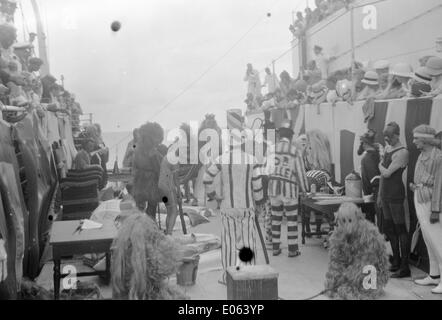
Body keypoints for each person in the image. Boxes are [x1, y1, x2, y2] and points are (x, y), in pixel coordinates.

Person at [202, 121, 266, 284]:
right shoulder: (252, 159)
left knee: (229, 243)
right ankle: (248, 274)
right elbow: (257, 184)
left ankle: (228, 277)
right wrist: (259, 203)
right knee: (248, 242)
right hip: (247, 207)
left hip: (227, 207)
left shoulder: (221, 159)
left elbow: (207, 178)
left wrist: (213, 196)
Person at [267, 120, 309, 257]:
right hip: (290, 190)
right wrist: (305, 190)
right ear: (290, 138)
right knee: (291, 220)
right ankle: (292, 250)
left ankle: (275, 248)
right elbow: (300, 172)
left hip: (273, 189)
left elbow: (266, 170)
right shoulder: (295, 151)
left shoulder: (271, 149)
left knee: (275, 219)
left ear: (279, 137)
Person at [411, 125, 442, 294]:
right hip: (420, 197)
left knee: (438, 240)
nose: (414, 141)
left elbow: (439, 186)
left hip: (431, 202)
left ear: (425, 139)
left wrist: (436, 209)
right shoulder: (422, 154)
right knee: (428, 239)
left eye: (416, 138)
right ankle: (434, 275)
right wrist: (415, 186)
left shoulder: (438, 157)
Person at [378, 122, 410, 278]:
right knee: (390, 228)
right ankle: (396, 261)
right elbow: (383, 179)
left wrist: (379, 165)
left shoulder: (402, 152)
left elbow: (387, 173)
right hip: (385, 194)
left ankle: (405, 267)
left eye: (389, 137)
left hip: (396, 193)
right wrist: (379, 195)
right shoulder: (388, 149)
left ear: (397, 135)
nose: (387, 140)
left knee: (400, 228)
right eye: (385, 138)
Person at [358, 129, 381, 225]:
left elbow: (374, 178)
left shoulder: (368, 158)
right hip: (375, 192)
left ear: (364, 143)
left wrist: (369, 193)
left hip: (373, 193)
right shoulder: (376, 154)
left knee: (371, 221)